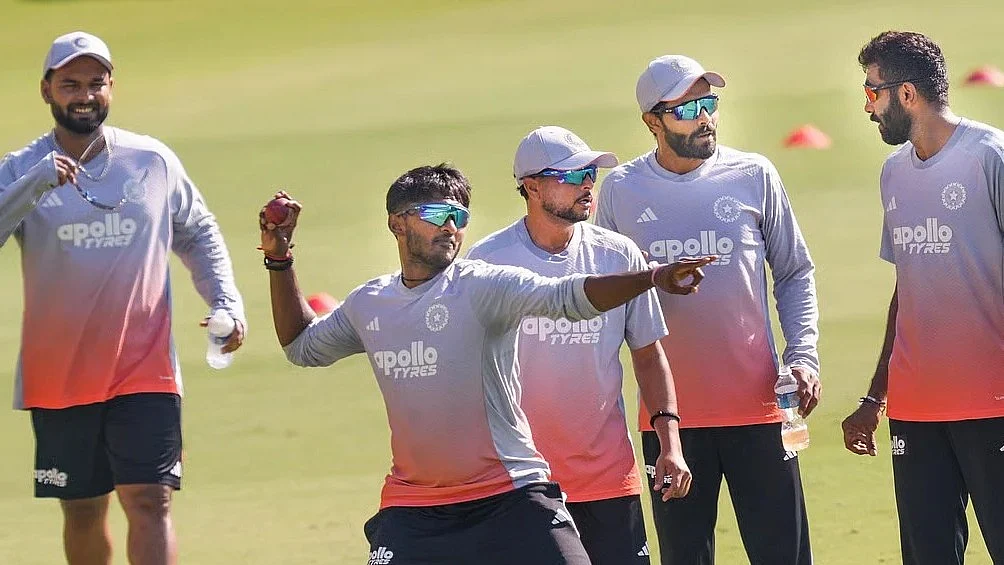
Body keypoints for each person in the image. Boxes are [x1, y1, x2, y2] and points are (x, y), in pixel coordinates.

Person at [259, 164, 713, 565]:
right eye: (438, 215)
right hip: (415, 507)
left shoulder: (484, 285)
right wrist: (280, 260)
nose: (451, 228)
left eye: (459, 218)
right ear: (397, 223)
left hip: (510, 495)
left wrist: (652, 277)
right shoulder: (370, 304)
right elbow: (301, 345)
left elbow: (569, 297)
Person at [0, 31, 246, 565]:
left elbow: (198, 231)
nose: (84, 95)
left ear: (111, 88)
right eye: (70, 84)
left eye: (96, 83)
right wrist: (35, 186)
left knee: (150, 497)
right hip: (59, 373)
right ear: (46, 90)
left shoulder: (151, 160)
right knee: (83, 509)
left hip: (145, 367)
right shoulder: (20, 169)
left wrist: (227, 302)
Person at [595, 55, 821, 565]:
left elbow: (794, 272)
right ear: (652, 122)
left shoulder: (753, 174)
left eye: (710, 103)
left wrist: (803, 356)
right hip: (669, 422)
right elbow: (605, 296)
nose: (705, 118)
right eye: (688, 108)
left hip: (762, 410)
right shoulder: (621, 191)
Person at [465, 125, 691, 564]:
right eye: (571, 176)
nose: (587, 184)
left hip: (609, 478)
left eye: (590, 173)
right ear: (530, 186)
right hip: (521, 483)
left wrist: (671, 445)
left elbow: (648, 355)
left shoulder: (618, 256)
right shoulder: (487, 263)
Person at [840, 31, 1004, 565]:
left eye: (871, 93)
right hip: (916, 410)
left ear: (906, 94)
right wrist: (875, 396)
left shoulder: (990, 157)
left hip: (992, 404)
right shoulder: (893, 173)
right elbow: (907, 288)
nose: (868, 107)